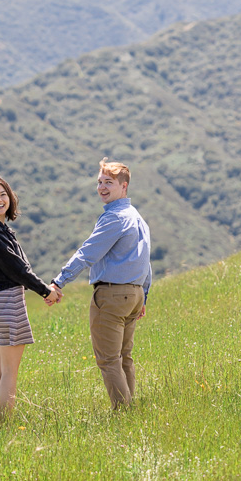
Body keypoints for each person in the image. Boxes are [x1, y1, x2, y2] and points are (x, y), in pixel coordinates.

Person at [50, 158, 151, 409]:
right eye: (99, 182)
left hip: (112, 295)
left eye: (109, 182)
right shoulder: (137, 217)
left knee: (108, 360)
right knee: (123, 357)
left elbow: (87, 253)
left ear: (124, 187)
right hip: (134, 295)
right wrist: (143, 297)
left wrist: (59, 282)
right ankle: (130, 409)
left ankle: (123, 413)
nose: (102, 187)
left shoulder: (114, 218)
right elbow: (145, 262)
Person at [0, 174, 60, 422]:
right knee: (9, 372)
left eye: (3, 194)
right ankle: (5, 426)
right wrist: (45, 291)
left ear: (10, 198)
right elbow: (18, 269)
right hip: (7, 302)